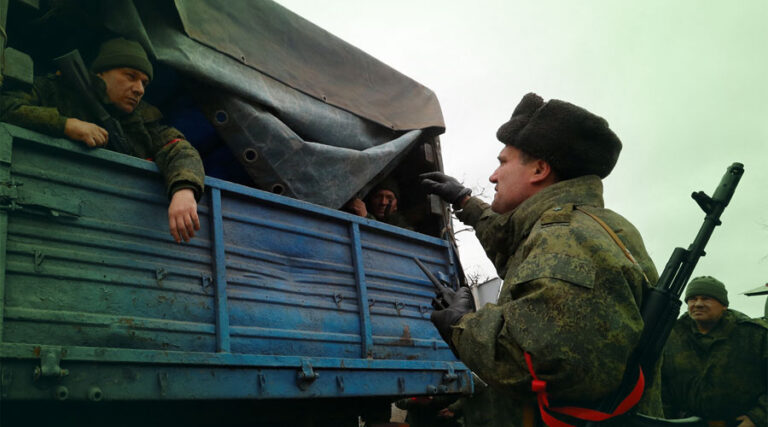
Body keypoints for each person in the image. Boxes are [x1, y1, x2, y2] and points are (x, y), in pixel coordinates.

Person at [420, 92, 663, 425]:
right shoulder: (581, 223)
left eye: (503, 162)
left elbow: (538, 363)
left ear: (539, 169)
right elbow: (513, 244)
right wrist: (465, 202)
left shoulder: (566, 238)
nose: (493, 176)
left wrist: (461, 325)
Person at [0, 37, 205, 243]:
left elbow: (179, 150)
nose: (139, 89)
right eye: (131, 76)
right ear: (101, 73)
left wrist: (184, 190)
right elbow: (7, 107)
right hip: (46, 220)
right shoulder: (56, 90)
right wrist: (66, 125)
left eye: (144, 82)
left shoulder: (144, 119)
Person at [662, 276, 767, 427]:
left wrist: (758, 418)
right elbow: (661, 386)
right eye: (692, 299)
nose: (698, 304)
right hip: (685, 423)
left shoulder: (754, 335)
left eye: (706, 298)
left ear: (723, 305)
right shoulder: (671, 335)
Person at [345, 177, 413, 230]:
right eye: (378, 197)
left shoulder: (404, 228)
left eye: (389, 198)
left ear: (396, 206)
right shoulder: (357, 215)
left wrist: (367, 218)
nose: (383, 202)